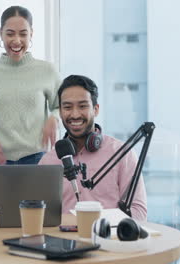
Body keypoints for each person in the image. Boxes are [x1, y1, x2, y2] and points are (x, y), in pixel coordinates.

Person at [38, 75, 147, 221]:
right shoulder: (48, 161)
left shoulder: (122, 154)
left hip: (107, 240)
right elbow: (39, 214)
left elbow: (138, 213)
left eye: (82, 106)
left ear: (95, 109)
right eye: (67, 107)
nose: (75, 114)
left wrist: (98, 224)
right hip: (63, 241)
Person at [0, 6, 60, 165]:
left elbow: (62, 106)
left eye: (23, 34)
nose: (17, 41)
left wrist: (54, 118)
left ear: (31, 34)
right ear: (1, 33)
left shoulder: (47, 71)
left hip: (38, 160)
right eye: (10, 34)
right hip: (0, 161)